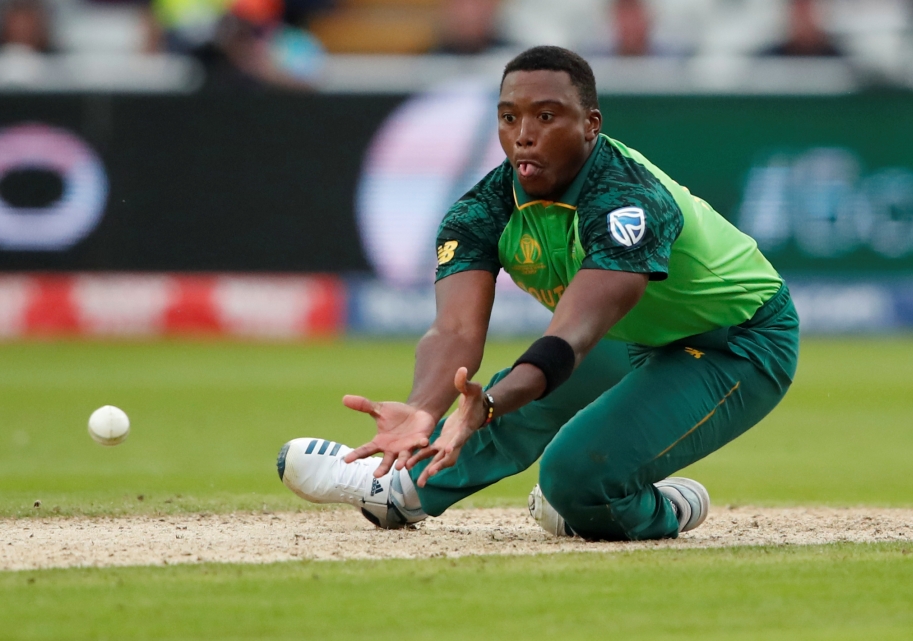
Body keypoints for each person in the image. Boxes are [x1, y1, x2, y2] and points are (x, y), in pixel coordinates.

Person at [277, 46, 799, 541]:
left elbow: (568, 339)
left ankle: (659, 505)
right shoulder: (480, 212)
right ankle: (402, 491)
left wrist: (489, 406)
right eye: (509, 117)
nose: (524, 135)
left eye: (546, 117)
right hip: (640, 330)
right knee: (501, 404)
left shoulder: (627, 202)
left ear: (591, 124)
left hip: (737, 343)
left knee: (571, 476)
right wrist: (422, 409)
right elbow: (455, 329)